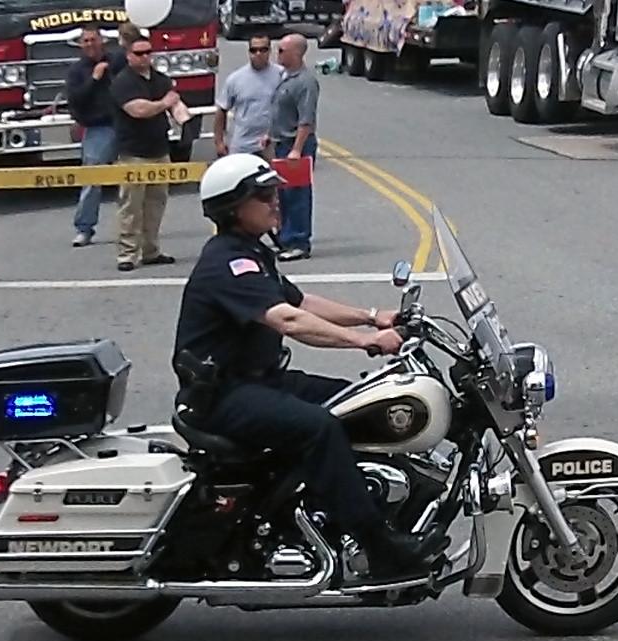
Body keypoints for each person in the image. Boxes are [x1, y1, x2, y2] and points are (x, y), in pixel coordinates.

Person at [171, 154, 448, 582]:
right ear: (233, 206)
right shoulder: (227, 263)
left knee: (354, 402)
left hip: (258, 382)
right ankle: (379, 546)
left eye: (274, 192)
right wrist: (364, 341)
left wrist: (373, 316)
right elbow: (288, 320)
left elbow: (301, 302)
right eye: (264, 194)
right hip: (223, 397)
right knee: (320, 427)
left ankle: (341, 506)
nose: (276, 200)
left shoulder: (251, 253)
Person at [109, 35, 179, 272]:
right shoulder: (122, 82)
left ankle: (151, 251)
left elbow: (177, 106)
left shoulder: (160, 80)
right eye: (139, 53)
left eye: (148, 52)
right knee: (131, 206)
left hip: (160, 149)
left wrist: (183, 118)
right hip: (132, 153)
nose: (145, 57)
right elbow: (138, 110)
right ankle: (127, 254)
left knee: (155, 205)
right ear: (129, 56)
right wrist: (164, 103)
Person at [64, 24, 126, 247]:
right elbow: (75, 99)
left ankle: (132, 228)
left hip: (126, 126)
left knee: (133, 180)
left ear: (103, 41)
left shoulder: (118, 61)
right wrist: (94, 78)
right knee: (91, 180)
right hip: (97, 129)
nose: (89, 44)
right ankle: (84, 229)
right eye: (85, 41)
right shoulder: (77, 71)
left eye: (93, 39)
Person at [268, 33, 320, 262]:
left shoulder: (305, 82)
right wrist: (269, 135)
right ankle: (285, 239)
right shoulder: (285, 77)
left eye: (281, 50)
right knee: (283, 195)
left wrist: (297, 149)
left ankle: (299, 241)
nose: (277, 54)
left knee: (297, 194)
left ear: (296, 53)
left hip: (296, 145)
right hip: (282, 142)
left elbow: (306, 120)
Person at [214, 34, 284, 158]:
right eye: (254, 50)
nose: (258, 53)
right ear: (249, 52)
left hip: (273, 145)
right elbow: (221, 110)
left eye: (263, 49)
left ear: (270, 51)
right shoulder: (235, 79)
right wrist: (219, 142)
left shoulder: (282, 75)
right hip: (243, 146)